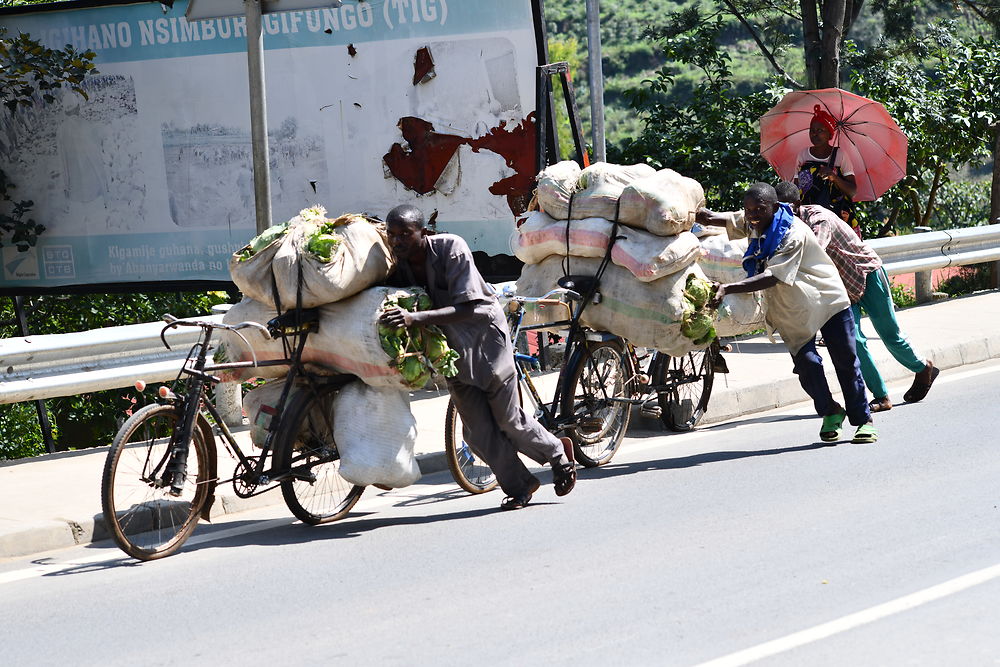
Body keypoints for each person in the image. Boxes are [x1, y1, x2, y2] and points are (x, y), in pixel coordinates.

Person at [379, 204, 576, 510]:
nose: (397, 241)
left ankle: (558, 456)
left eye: (405, 234)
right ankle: (521, 485)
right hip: (452, 352)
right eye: (392, 235)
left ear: (424, 233)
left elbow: (470, 308)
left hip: (485, 340)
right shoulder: (398, 264)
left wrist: (415, 319)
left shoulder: (450, 248)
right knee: (477, 434)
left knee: (509, 420)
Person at [700, 183, 878, 444]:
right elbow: (726, 220)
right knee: (807, 366)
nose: (753, 215)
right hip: (791, 310)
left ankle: (863, 421)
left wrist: (727, 288)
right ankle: (830, 411)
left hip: (827, 302)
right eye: (749, 209)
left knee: (846, 362)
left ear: (774, 207)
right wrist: (697, 215)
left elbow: (773, 276)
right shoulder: (754, 222)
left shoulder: (792, 232)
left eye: (759, 209)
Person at [773, 181, 938, 411]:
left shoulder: (818, 219)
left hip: (866, 273)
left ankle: (923, 368)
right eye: (775, 210)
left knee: (890, 334)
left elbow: (813, 253)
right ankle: (881, 396)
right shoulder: (784, 227)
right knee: (855, 343)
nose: (780, 215)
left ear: (797, 204)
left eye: (784, 209)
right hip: (841, 286)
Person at [795, 105, 861, 237]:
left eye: (820, 130)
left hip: (836, 217)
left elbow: (852, 191)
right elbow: (797, 189)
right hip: (809, 217)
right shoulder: (803, 155)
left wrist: (834, 177)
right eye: (812, 130)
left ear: (830, 134)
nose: (815, 134)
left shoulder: (840, 155)